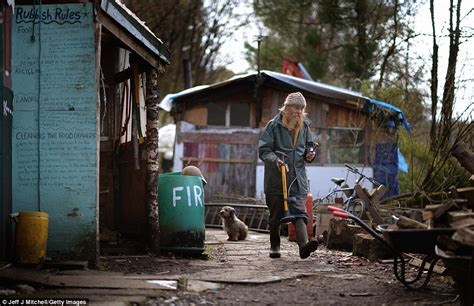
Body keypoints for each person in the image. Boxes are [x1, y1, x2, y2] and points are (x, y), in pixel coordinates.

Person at [258, 92, 319, 259]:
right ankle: (275, 247)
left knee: (300, 213)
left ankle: (304, 246)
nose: (298, 111)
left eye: (301, 108)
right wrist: (275, 160)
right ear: (286, 107)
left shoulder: (305, 126)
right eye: (295, 107)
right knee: (276, 215)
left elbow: (309, 147)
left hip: (297, 178)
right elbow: (263, 150)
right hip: (276, 179)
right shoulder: (273, 126)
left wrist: (310, 154)